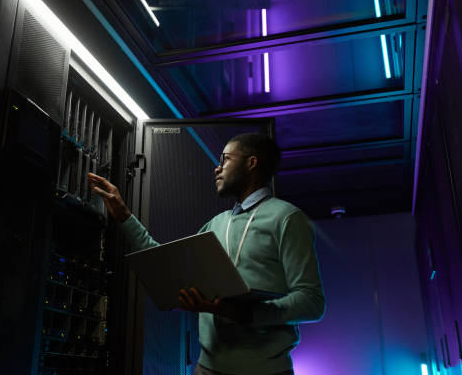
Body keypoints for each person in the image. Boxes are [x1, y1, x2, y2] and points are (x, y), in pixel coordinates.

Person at [88, 132, 325, 375]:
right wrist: (124, 216)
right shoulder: (216, 224)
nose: (217, 168)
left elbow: (312, 302)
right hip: (207, 369)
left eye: (225, 160)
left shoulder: (287, 218)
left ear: (251, 163)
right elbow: (167, 268)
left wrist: (244, 313)